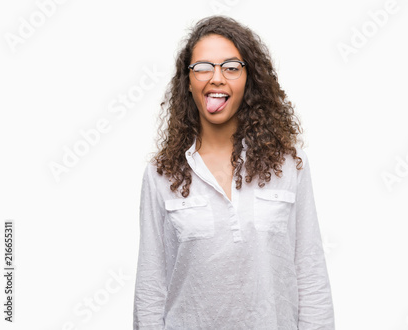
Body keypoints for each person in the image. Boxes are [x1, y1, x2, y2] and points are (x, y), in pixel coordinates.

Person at [133, 15, 335, 329]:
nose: (216, 78)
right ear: (188, 81)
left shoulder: (289, 165)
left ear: (248, 79)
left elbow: (309, 273)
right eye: (203, 67)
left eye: (231, 67)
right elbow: (151, 285)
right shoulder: (161, 174)